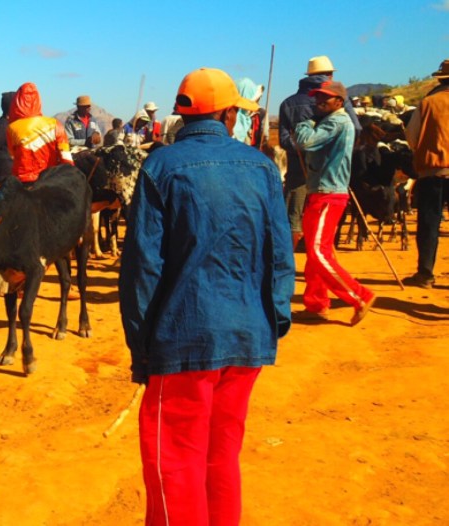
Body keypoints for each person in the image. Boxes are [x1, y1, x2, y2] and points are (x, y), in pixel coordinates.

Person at [119, 68, 294, 526]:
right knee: (222, 457)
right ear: (230, 113)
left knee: (175, 463)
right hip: (247, 338)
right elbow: (280, 255)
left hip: (183, 342)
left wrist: (142, 348)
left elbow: (143, 268)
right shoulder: (260, 166)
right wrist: (273, 322)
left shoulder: (161, 166)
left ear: (181, 114)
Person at [294, 80, 375, 324]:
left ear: (339, 102)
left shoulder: (336, 121)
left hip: (328, 194)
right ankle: (316, 303)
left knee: (318, 252)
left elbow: (306, 141)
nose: (319, 102)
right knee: (317, 251)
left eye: (324, 99)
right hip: (323, 191)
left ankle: (359, 296)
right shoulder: (335, 120)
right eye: (317, 98)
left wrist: (304, 124)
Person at [279, 55, 364, 251]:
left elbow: (284, 140)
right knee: (323, 221)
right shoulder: (339, 96)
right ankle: (319, 249)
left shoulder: (287, 103)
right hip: (329, 170)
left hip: (296, 166)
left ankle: (290, 253)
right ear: (329, 74)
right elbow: (356, 128)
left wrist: (301, 150)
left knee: (294, 211)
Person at [402, 59, 449, 288]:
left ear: (441, 78)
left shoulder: (428, 102)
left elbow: (412, 136)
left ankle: (426, 274)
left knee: (429, 223)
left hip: (434, 170)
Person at [6, 82, 71, 183]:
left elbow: (12, 156)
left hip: (22, 182)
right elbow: (66, 157)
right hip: (49, 179)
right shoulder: (55, 124)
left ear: (17, 101)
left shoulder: (11, 128)